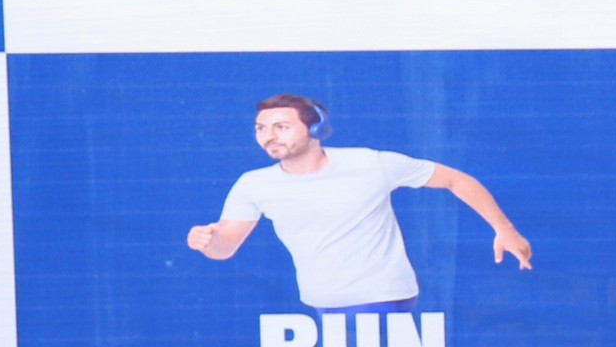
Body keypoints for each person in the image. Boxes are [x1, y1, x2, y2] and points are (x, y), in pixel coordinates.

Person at [186, 96, 531, 308]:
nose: (269, 136)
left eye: (281, 126)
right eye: (261, 128)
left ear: (315, 129)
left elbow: (456, 180)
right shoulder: (253, 184)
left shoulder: (370, 163)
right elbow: (226, 247)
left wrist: (505, 229)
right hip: (318, 308)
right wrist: (206, 242)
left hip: (385, 301)